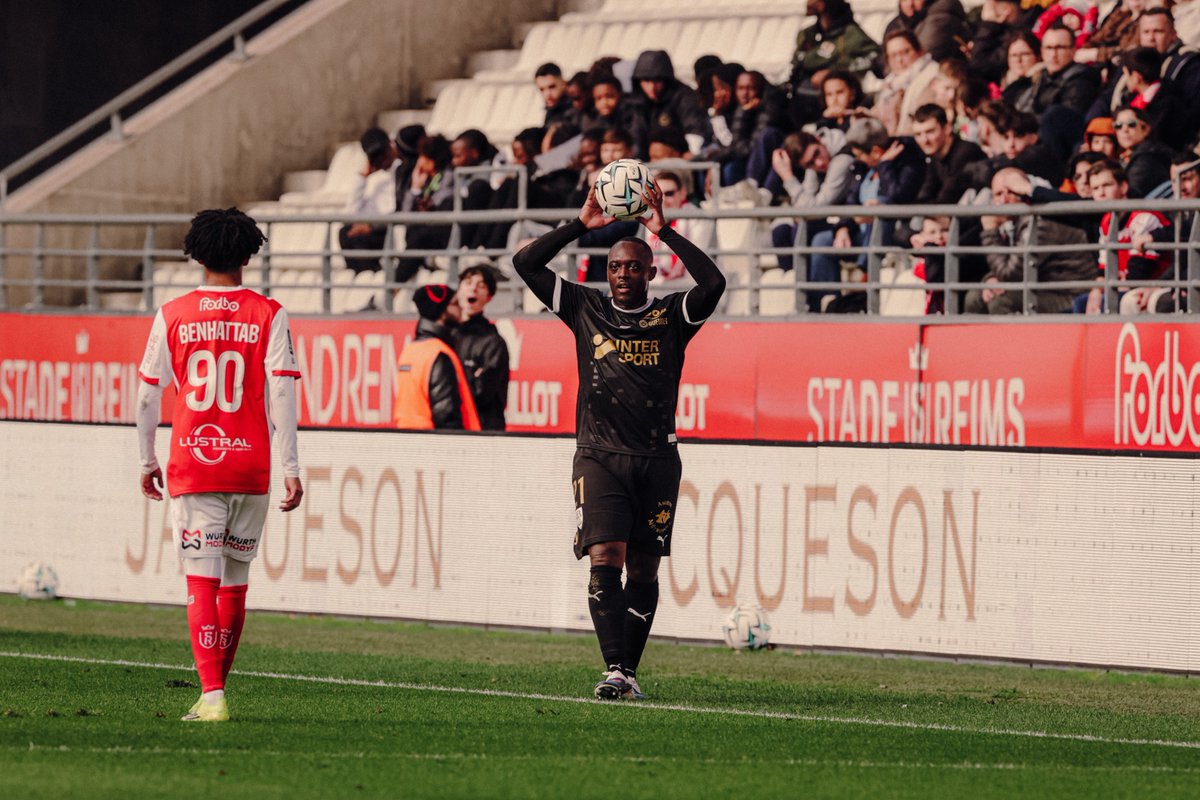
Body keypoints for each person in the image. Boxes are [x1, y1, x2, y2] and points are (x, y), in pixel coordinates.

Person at [512, 182, 725, 701]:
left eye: (633, 267)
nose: (623, 275)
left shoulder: (674, 315)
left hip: (656, 459)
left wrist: (662, 230)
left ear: (651, 272)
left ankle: (627, 672)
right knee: (605, 553)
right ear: (605, 273)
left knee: (645, 567)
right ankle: (613, 667)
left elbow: (714, 283)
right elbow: (525, 263)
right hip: (599, 456)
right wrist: (581, 226)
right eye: (614, 267)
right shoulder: (585, 308)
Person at [136, 208, 303, 723]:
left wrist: (146, 458)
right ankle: (213, 692)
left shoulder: (173, 314)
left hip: (196, 461)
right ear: (249, 254)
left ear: (194, 253)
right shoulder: (270, 313)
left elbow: (147, 397)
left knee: (200, 580)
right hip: (250, 464)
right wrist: (291, 466)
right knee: (235, 579)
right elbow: (283, 391)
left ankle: (212, 696)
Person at [965, 167, 1096, 314]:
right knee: (975, 297)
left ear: (1023, 193)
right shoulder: (1013, 222)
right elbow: (1009, 267)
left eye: (1011, 192)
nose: (1003, 200)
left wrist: (990, 231)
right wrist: (990, 279)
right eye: (998, 194)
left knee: (1001, 301)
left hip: (1070, 294)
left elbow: (1011, 275)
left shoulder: (1039, 223)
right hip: (1041, 286)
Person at [393, 284, 481, 430]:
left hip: (411, 440)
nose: (461, 308)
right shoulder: (439, 354)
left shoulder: (411, 350)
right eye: (454, 303)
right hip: (434, 444)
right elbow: (446, 415)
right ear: (441, 311)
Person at [452, 266, 510, 431]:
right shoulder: (446, 335)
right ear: (459, 289)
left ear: (489, 297)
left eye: (481, 285)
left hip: (484, 431)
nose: (473, 288)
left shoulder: (493, 342)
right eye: (468, 282)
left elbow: (482, 393)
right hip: (451, 428)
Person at [339, 127, 400, 274]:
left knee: (362, 240)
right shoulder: (373, 180)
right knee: (345, 232)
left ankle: (371, 277)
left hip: (388, 228)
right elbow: (350, 213)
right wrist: (363, 177)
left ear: (390, 145)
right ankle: (360, 278)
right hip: (372, 227)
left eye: (382, 153)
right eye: (375, 155)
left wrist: (371, 226)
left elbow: (397, 209)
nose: (381, 159)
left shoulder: (401, 171)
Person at [535, 62, 578, 128]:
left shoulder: (576, 106)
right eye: (542, 89)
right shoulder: (552, 108)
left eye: (552, 87)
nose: (547, 94)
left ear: (563, 83)